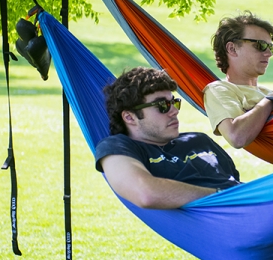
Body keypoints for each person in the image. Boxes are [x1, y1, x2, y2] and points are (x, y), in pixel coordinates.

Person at [95, 67, 241, 209]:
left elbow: (234, 180)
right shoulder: (116, 147)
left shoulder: (200, 140)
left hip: (249, 204)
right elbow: (145, 193)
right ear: (129, 117)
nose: (175, 111)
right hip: (235, 207)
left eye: (174, 102)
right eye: (162, 105)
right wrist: (222, 196)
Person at [203, 11, 273, 148]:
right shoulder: (218, 90)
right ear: (232, 49)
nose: (268, 54)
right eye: (260, 46)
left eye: (270, 48)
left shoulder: (267, 92)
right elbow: (236, 136)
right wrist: (272, 99)